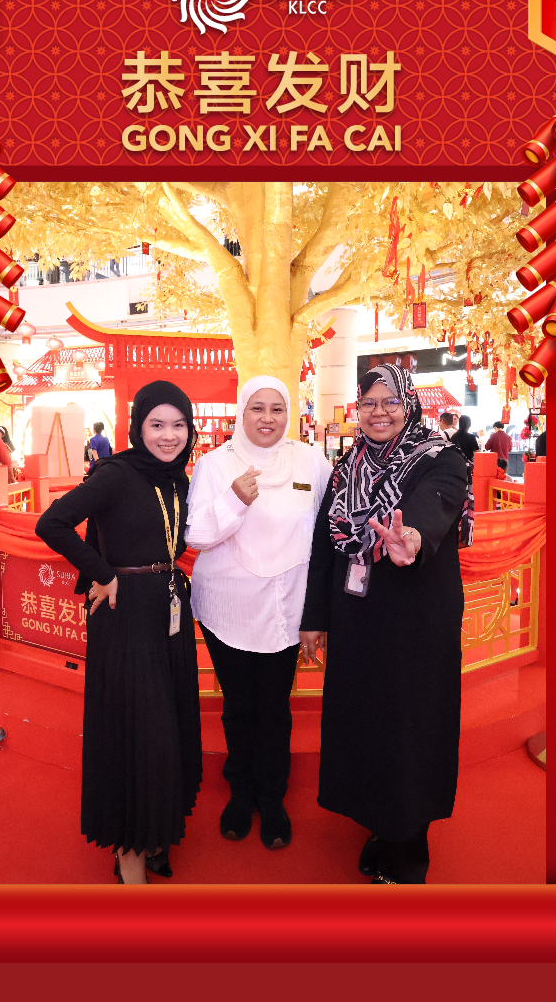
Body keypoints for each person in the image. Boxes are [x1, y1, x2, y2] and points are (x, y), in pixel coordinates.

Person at [299, 364, 473, 884]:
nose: (379, 413)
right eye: (369, 403)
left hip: (415, 627)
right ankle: (381, 824)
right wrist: (314, 618)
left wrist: (411, 538)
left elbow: (433, 507)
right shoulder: (347, 467)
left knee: (408, 729)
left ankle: (407, 853)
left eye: (390, 402)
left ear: (409, 405)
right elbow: (324, 547)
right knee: (368, 724)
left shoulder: (441, 459)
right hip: (358, 622)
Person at [34, 381, 203, 884]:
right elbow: (52, 523)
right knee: (137, 733)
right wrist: (102, 572)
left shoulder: (178, 479)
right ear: (137, 427)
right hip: (125, 614)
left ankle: (156, 832)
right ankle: (129, 854)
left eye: (179, 425)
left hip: (169, 610)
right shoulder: (116, 473)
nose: (169, 435)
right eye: (157, 424)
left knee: (169, 727)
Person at [185, 376, 331, 851]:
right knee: (238, 705)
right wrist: (234, 499)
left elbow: (327, 535)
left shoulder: (310, 460)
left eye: (277, 409)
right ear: (241, 412)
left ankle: (272, 798)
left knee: (274, 707)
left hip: (287, 607)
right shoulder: (215, 464)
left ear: (289, 413)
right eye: (257, 408)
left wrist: (317, 614)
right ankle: (240, 791)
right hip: (228, 608)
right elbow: (196, 535)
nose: (267, 418)